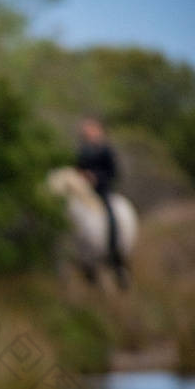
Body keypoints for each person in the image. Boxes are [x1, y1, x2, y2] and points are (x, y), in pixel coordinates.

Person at [76, 117, 126, 281]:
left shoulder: (106, 151)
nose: (89, 134)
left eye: (92, 130)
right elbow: (77, 169)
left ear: (99, 131)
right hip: (84, 192)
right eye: (87, 131)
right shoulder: (83, 151)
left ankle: (115, 251)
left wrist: (96, 177)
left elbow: (113, 173)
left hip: (103, 191)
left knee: (111, 216)